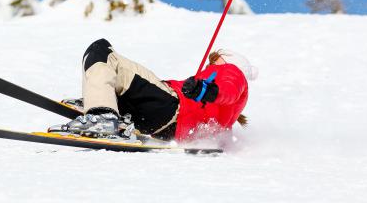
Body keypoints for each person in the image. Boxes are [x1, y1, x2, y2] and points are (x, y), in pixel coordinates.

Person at [48, 38, 256, 142]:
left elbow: (228, 88)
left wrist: (206, 90)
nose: (211, 63)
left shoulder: (231, 72)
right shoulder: (226, 113)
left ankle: (102, 113)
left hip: (170, 110)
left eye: (216, 59)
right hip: (165, 127)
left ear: (230, 61)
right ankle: (107, 106)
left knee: (100, 51)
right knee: (128, 80)